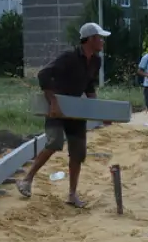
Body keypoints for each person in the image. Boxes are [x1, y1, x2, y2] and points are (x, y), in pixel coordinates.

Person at [16, 21, 109, 208]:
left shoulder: (96, 61)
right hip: (56, 108)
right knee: (54, 142)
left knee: (78, 152)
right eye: (100, 38)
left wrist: (100, 112)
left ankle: (72, 195)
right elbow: (43, 75)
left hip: (75, 110)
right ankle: (26, 180)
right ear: (90, 39)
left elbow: (89, 86)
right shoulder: (69, 57)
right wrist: (54, 102)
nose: (102, 42)